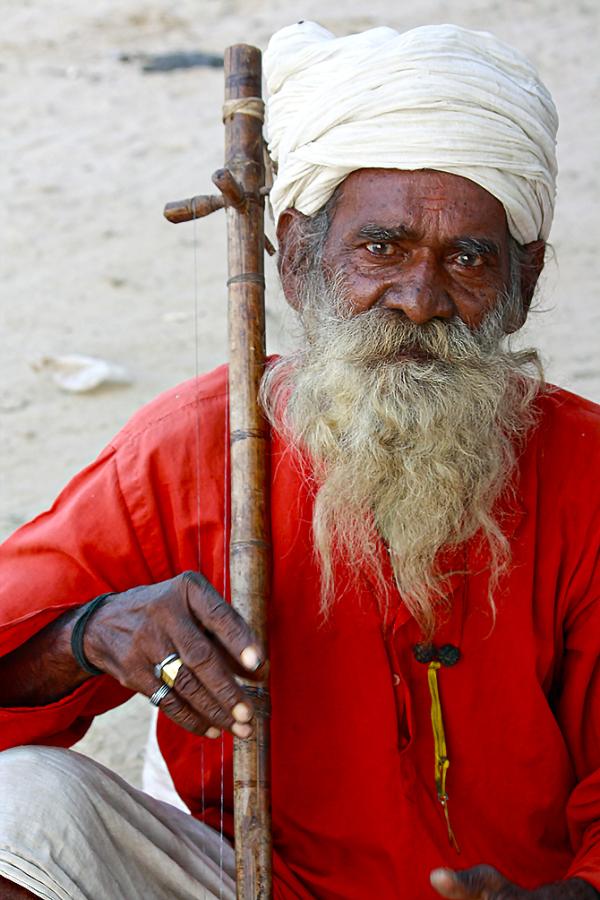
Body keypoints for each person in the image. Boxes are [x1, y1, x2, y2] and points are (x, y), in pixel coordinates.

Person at [0, 19, 599, 900]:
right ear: (297, 258)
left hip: (537, 891)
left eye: (468, 258)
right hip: (248, 881)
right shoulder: (195, 451)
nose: (419, 300)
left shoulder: (583, 470)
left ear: (524, 283)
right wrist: (88, 636)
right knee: (20, 808)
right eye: (382, 247)